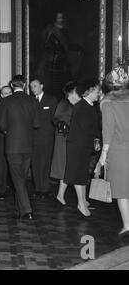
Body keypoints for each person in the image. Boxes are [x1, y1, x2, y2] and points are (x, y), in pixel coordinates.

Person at [0, 75, 40, 220]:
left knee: (18, 179)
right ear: (25, 84)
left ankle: (27, 210)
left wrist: (8, 131)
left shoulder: (6, 101)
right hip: (28, 145)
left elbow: (1, 124)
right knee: (21, 177)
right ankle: (19, 209)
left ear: (11, 85)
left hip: (12, 145)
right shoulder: (33, 100)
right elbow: (36, 124)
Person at [96, 67, 129, 237]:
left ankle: (127, 225)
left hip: (119, 151)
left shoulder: (107, 102)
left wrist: (102, 156)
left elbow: (107, 132)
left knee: (122, 190)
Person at [63, 79, 101, 217]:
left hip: (83, 145)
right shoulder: (82, 106)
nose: (99, 94)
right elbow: (87, 128)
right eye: (97, 91)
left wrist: (96, 141)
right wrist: (96, 139)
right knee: (79, 175)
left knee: (82, 174)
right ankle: (80, 203)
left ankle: (83, 201)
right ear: (90, 91)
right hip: (77, 146)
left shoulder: (89, 105)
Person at [50, 81, 81, 205]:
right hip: (64, 139)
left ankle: (60, 195)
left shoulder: (78, 103)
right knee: (65, 167)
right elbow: (56, 119)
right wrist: (62, 125)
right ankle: (62, 195)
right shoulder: (64, 103)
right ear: (72, 91)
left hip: (73, 139)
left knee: (69, 168)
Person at [30, 79, 58, 199]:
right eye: (31, 87)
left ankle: (45, 189)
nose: (33, 89)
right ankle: (38, 189)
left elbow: (55, 119)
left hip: (47, 139)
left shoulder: (51, 99)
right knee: (35, 164)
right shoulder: (30, 100)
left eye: (35, 86)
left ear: (41, 86)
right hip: (33, 139)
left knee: (45, 164)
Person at [0, 85, 13, 199]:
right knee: (1, 166)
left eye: (9, 92)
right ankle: (1, 191)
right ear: (1, 95)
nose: (7, 95)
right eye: (5, 93)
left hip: (13, 140)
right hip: (0, 140)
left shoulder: (16, 106)